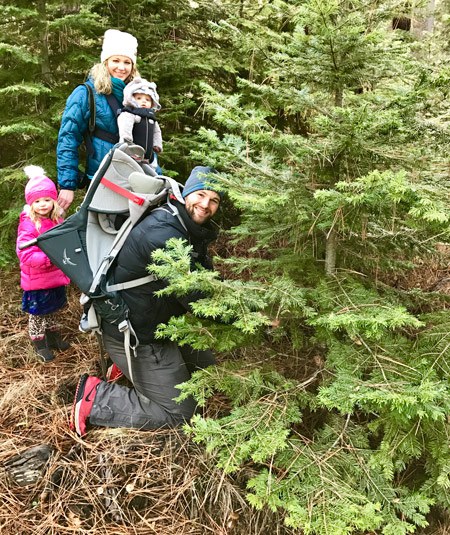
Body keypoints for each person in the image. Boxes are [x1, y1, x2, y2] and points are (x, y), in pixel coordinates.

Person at [70, 166, 222, 437]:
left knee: (207, 372)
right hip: (137, 333)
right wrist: (253, 316)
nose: (205, 205)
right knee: (179, 414)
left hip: (161, 322)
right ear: (186, 193)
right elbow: (196, 297)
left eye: (214, 200)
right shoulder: (162, 233)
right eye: (200, 194)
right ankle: (96, 397)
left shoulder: (182, 223)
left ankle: (130, 370)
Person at [56, 29, 139, 212]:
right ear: (105, 62)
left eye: (127, 62)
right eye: (115, 60)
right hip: (102, 181)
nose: (121, 67)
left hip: (135, 181)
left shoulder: (137, 95)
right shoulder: (86, 93)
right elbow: (68, 138)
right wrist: (67, 185)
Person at [16, 166, 71, 362]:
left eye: (47, 199)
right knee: (38, 314)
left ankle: (53, 337)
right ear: (31, 203)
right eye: (37, 201)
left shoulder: (56, 220)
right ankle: (39, 344)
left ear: (54, 200)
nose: (42, 204)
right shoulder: (29, 224)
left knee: (53, 309)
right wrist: (49, 259)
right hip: (38, 280)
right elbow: (25, 252)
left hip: (54, 277)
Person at [117, 77, 163, 169]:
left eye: (147, 99)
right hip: (132, 153)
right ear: (131, 99)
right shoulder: (130, 113)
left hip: (148, 157)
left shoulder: (151, 118)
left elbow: (157, 132)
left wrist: (157, 144)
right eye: (139, 98)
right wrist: (127, 140)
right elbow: (125, 126)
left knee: (149, 173)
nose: (143, 101)